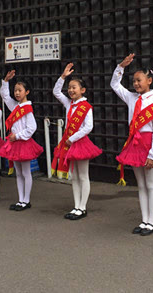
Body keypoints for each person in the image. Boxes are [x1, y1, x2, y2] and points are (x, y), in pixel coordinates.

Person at [111, 53, 153, 236]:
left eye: (139, 80)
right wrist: (121, 67)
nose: (135, 84)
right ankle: (144, 220)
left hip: (149, 145)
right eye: (134, 81)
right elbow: (115, 85)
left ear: (149, 80)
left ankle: (152, 222)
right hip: (135, 144)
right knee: (140, 185)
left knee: (151, 183)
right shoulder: (132, 98)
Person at [52, 63, 102, 220]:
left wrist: (71, 139)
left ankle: (83, 207)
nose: (71, 90)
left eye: (74, 87)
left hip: (79, 143)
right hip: (69, 143)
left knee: (83, 175)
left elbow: (88, 127)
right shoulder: (69, 104)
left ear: (83, 90)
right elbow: (55, 92)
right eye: (70, 87)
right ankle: (76, 205)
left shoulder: (86, 106)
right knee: (73, 176)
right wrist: (63, 77)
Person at [0, 70, 43, 211]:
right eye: (15, 90)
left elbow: (32, 128)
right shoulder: (15, 107)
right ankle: (20, 199)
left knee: (25, 172)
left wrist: (17, 136)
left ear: (27, 92)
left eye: (20, 90)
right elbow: (5, 96)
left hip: (22, 143)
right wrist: (5, 81)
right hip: (15, 143)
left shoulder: (27, 109)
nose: (17, 93)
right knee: (18, 173)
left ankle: (26, 200)